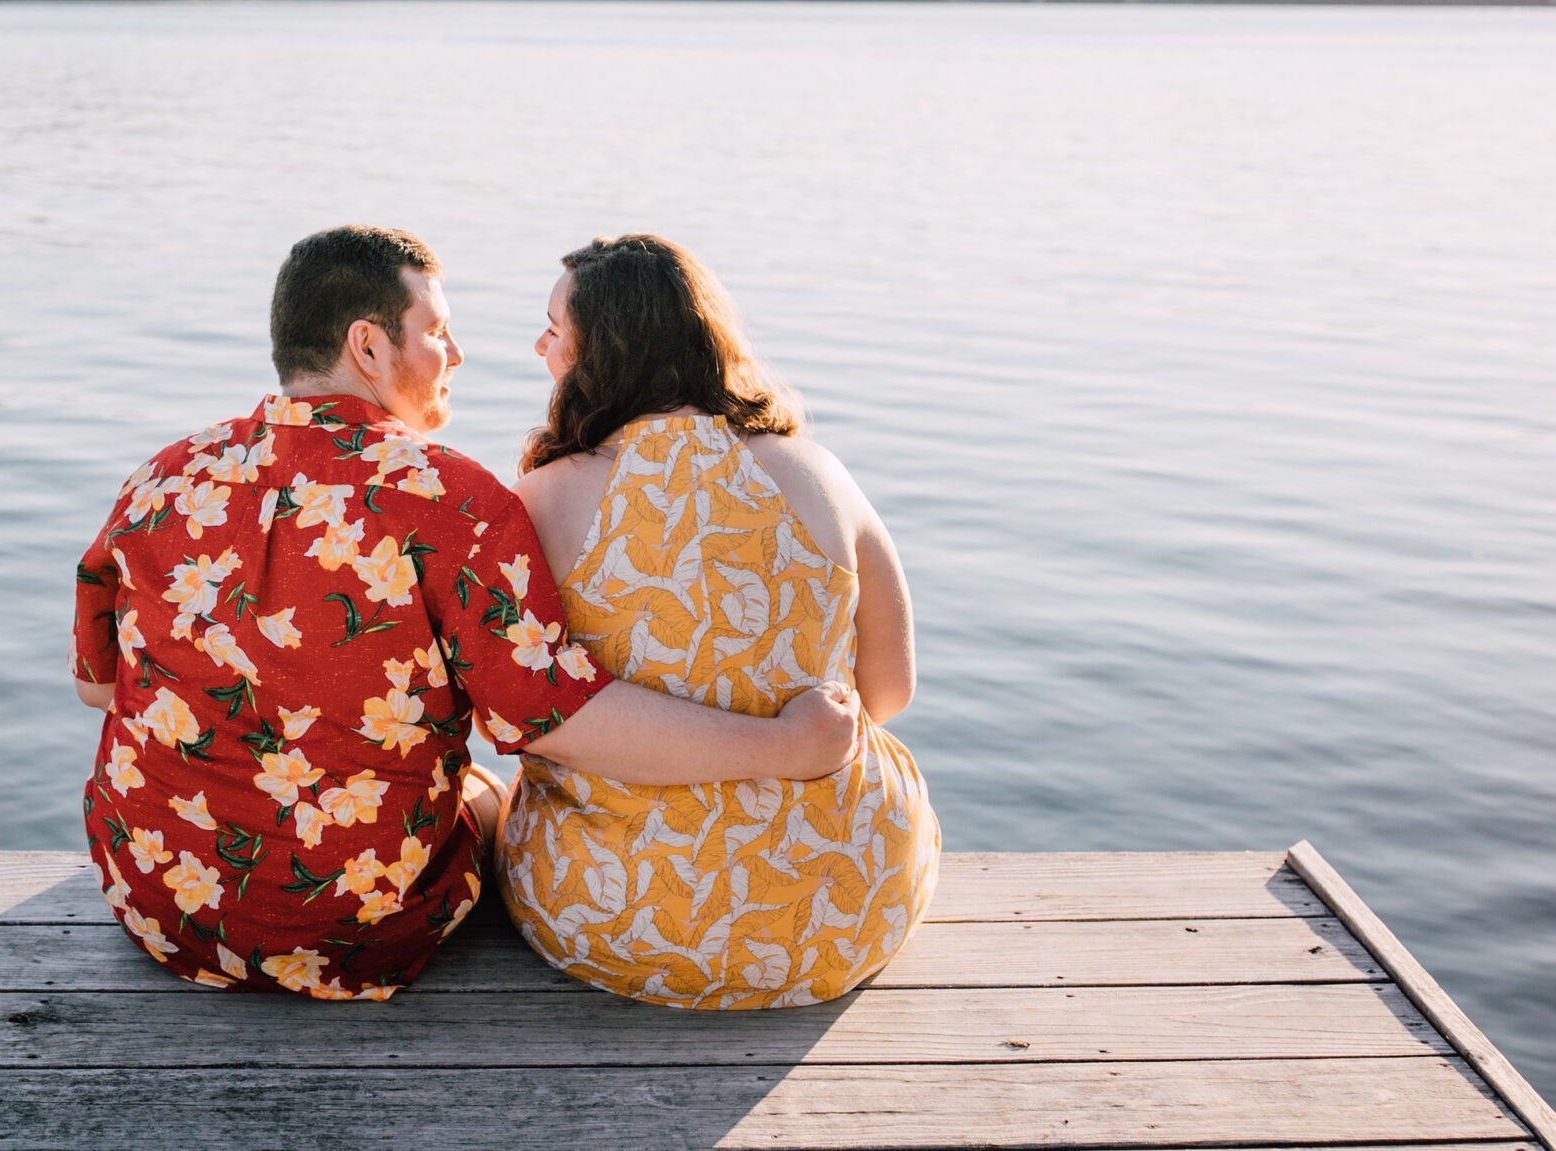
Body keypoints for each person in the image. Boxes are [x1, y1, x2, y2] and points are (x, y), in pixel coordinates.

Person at [72, 225, 864, 1001]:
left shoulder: (164, 478)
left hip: (154, 901)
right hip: (355, 927)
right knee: (490, 792)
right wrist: (782, 743)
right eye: (438, 332)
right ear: (369, 348)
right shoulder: (450, 498)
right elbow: (553, 717)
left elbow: (100, 689)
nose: (454, 356)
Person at [495, 233, 939, 1008]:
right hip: (847, 908)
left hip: (623, 916)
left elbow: (531, 711)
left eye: (553, 328)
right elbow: (889, 688)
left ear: (602, 351)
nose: (540, 345)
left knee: (497, 799)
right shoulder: (817, 470)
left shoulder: (546, 498)